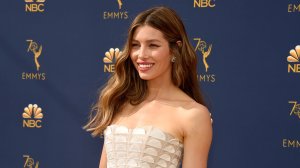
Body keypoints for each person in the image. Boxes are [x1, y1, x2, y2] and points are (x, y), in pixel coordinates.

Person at [85, 6, 213, 168]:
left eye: (153, 45)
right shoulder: (120, 100)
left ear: (175, 50)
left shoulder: (193, 115)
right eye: (135, 45)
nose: (141, 55)